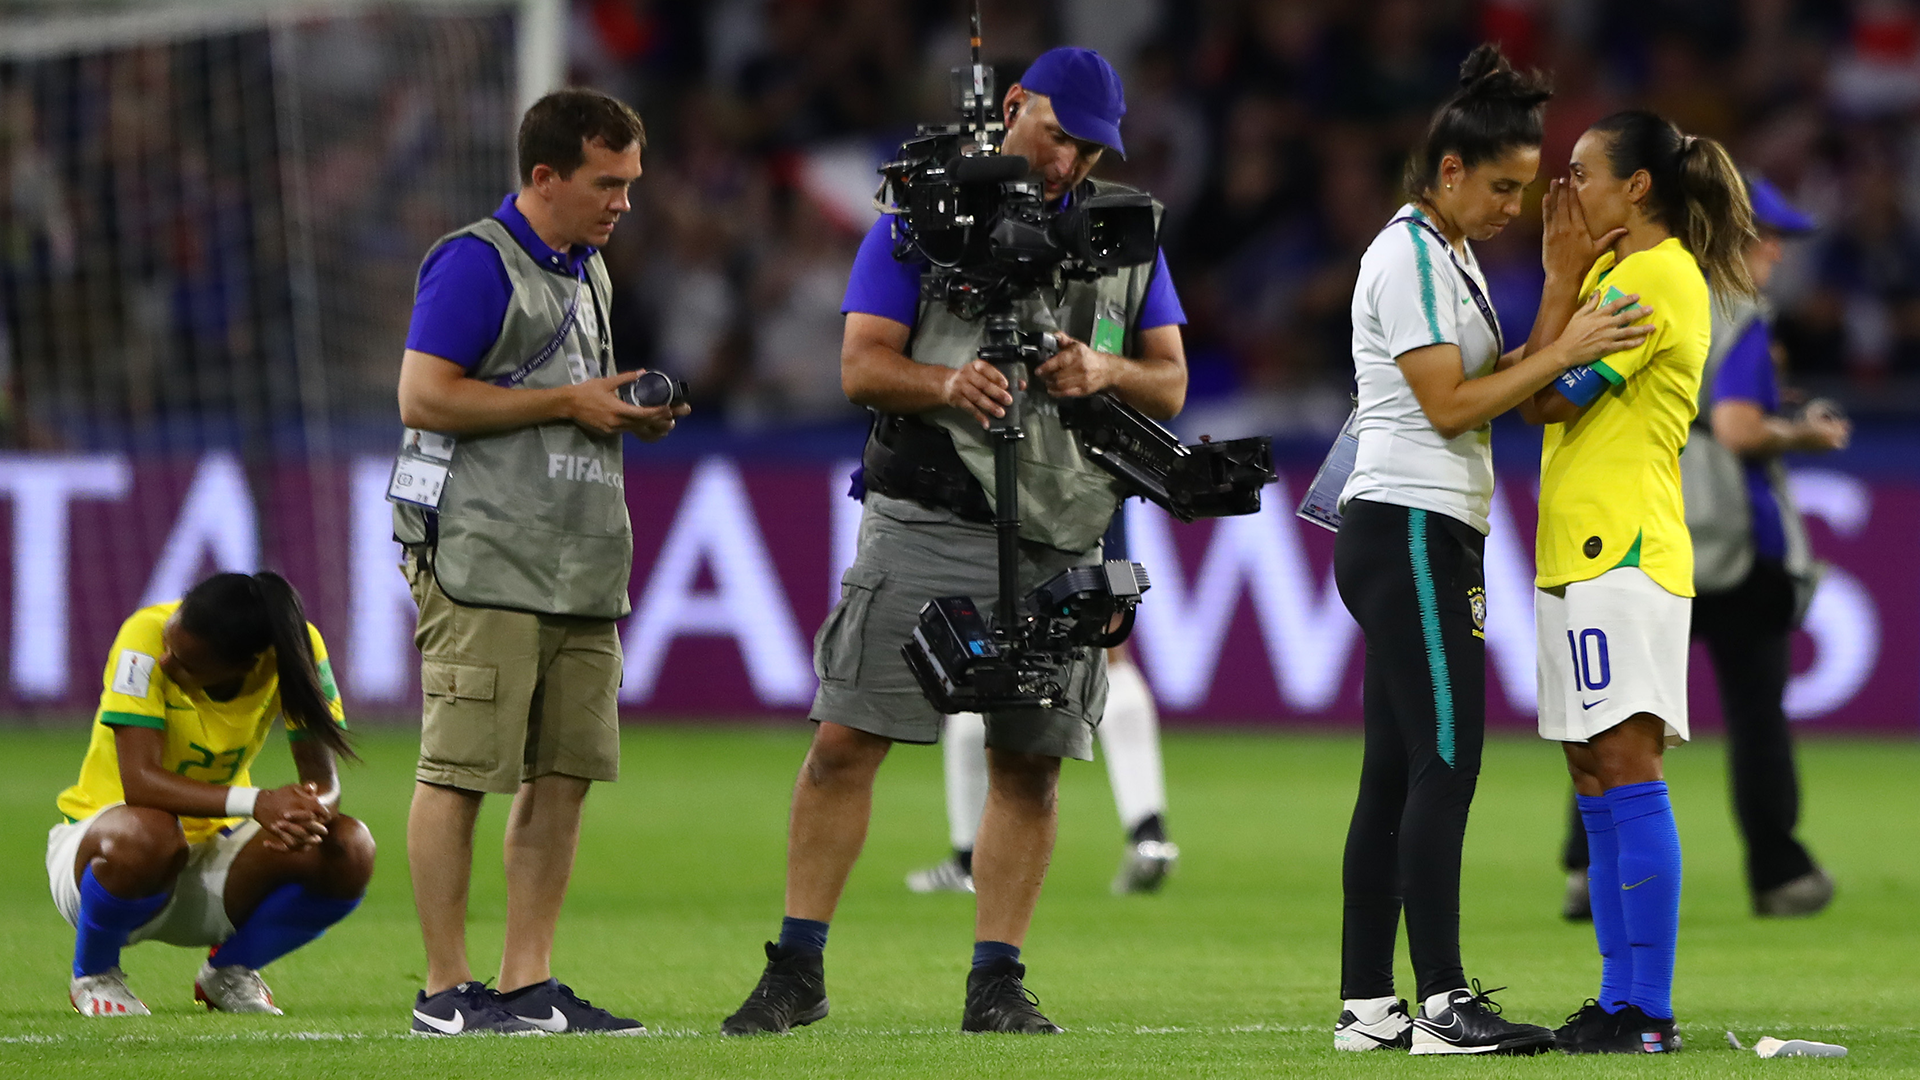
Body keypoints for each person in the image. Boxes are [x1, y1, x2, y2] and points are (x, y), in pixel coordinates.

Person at [719, 47, 1187, 1036]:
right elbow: (860, 364)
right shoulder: (924, 213)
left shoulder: (1124, 233)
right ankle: (795, 967)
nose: (1070, 161)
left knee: (1031, 761)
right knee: (847, 741)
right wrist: (945, 384)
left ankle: (997, 981)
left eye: (1091, 148)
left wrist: (1102, 374)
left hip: (1059, 529)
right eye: (1058, 134)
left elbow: (1170, 380)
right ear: (1014, 106)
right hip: (929, 516)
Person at [1329, 43, 1653, 1057]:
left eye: (1528, 186)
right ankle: (1441, 1006)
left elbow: (1501, 378)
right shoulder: (1411, 257)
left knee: (1393, 771)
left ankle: (1368, 1008)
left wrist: (1557, 292)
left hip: (1409, 527)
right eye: (1503, 186)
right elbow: (1452, 401)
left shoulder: (1446, 252)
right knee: (1448, 760)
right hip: (1414, 529)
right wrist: (1564, 350)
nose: (1515, 205)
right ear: (1451, 171)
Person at [392, 88, 685, 1037]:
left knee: (562, 776)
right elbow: (424, 396)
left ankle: (528, 985)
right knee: (460, 771)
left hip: (577, 561)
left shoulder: (588, 269)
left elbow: (565, 395)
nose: (623, 203)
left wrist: (618, 412)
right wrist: (570, 406)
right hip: (485, 558)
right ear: (545, 176)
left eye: (631, 184)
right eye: (608, 182)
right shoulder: (477, 263)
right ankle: (445, 990)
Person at [1519, 110, 1757, 1054]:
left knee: (1626, 763)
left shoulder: (1654, 279)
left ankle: (1646, 1010)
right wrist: (1566, 284)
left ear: (1638, 187)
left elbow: (1537, 391)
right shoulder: (1617, 276)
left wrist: (1557, 283)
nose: (1564, 189)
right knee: (1591, 769)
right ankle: (1620, 1001)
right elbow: (1535, 380)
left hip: (1623, 551)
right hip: (1581, 548)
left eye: (1581, 172)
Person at [1556, 176, 1848, 921]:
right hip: (1736, 545)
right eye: (1763, 237)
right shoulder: (1740, 314)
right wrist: (1804, 432)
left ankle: (1588, 871)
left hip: (1642, 529)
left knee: (1614, 714)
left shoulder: (1630, 291)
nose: (1776, 254)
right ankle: (1778, 871)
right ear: (1725, 237)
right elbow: (1744, 428)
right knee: (1756, 716)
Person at [50, 572, 370, 1018]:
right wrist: (258, 803)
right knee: (150, 831)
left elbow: (323, 781)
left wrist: (307, 817)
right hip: (108, 855)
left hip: (216, 857)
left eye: (186, 664)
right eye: (170, 646)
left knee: (350, 847)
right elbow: (139, 783)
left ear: (246, 666)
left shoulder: (294, 648)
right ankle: (95, 974)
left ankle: (230, 971)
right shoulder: (142, 636)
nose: (165, 663)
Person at [906, 507, 1179, 898]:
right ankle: (1148, 835)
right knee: (1109, 644)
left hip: (1006, 496)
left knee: (979, 654)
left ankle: (968, 860)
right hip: (1099, 490)